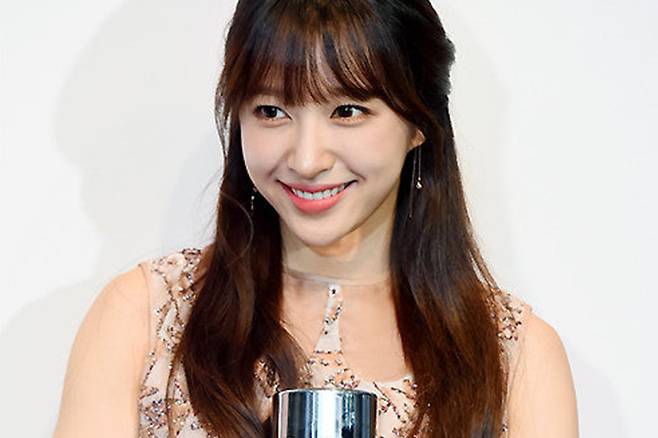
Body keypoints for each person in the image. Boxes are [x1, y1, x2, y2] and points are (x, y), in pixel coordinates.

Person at [53, 0, 579, 437]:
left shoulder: (515, 357)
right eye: (271, 111)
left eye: (347, 111)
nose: (306, 160)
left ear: (419, 122)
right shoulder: (146, 317)